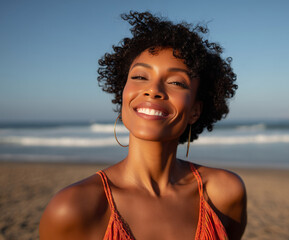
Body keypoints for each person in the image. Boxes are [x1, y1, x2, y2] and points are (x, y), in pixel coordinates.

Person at [39, 11, 247, 240]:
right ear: (123, 94)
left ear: (195, 111)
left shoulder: (224, 193)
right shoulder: (73, 209)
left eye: (176, 82)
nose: (153, 90)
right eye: (139, 77)